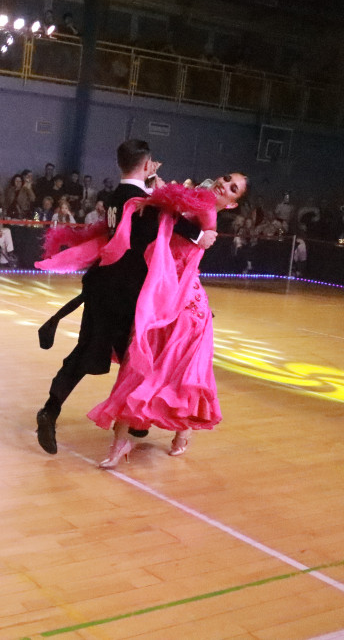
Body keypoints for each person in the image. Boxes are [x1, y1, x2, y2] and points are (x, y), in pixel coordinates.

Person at [32, 139, 217, 455]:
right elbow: (172, 221)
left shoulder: (114, 196)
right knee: (139, 357)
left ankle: (55, 409)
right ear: (146, 165)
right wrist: (202, 235)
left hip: (103, 286)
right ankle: (135, 420)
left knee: (93, 354)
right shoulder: (143, 201)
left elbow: (156, 207)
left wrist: (153, 182)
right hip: (128, 293)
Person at [88, 174, 247, 467]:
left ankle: (181, 430)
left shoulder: (206, 209)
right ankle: (121, 441)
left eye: (232, 188)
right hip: (159, 291)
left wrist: (167, 194)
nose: (224, 185)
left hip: (184, 302)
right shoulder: (190, 197)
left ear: (232, 204)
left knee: (177, 367)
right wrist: (165, 190)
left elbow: (197, 236)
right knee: (140, 362)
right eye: (226, 179)